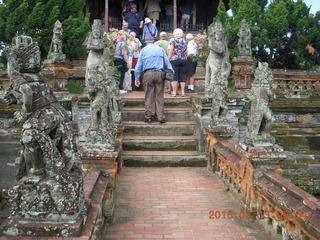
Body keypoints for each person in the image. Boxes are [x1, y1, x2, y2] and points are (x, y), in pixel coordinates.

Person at [134, 39, 174, 123]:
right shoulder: (160, 49)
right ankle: (160, 117)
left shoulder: (143, 50)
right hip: (159, 73)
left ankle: (148, 116)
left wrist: (137, 78)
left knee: (149, 95)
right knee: (159, 95)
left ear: (146, 43)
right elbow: (167, 62)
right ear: (154, 42)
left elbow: (139, 65)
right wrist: (171, 72)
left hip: (148, 74)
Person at [167, 28, 188, 97]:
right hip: (183, 60)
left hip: (174, 59)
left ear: (175, 34)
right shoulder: (184, 41)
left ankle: (174, 92)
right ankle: (182, 92)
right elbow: (186, 51)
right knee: (182, 76)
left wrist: (168, 59)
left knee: (174, 76)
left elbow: (171, 50)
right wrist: (185, 58)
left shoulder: (173, 40)